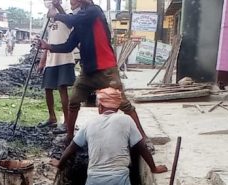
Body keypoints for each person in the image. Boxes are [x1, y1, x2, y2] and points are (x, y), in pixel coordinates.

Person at [40, 0, 149, 145]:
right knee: (73, 102)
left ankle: (143, 138)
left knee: (124, 104)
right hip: (87, 72)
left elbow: (72, 19)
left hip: (106, 70)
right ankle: (70, 137)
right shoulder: (80, 22)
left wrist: (57, 14)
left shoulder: (94, 11)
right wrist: (48, 46)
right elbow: (68, 46)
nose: (71, 1)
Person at [37, 1, 75, 133]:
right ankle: (52, 117)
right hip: (51, 59)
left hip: (64, 56)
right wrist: (42, 61)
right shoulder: (47, 17)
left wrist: (58, 7)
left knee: (62, 88)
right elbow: (47, 41)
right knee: (48, 88)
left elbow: (70, 23)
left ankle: (67, 121)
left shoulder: (66, 9)